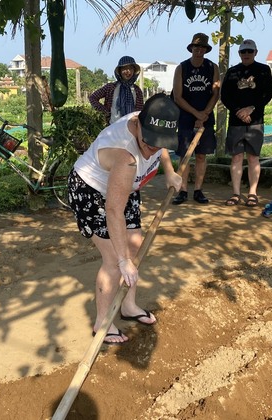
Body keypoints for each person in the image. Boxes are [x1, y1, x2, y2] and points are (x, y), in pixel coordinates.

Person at [67, 93, 182, 345]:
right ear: (138, 123)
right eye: (148, 140)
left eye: (159, 141)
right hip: (91, 191)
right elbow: (113, 210)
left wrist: (170, 172)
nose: (152, 147)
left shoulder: (154, 125)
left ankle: (128, 306)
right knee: (113, 258)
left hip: (125, 187)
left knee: (135, 245)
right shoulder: (125, 156)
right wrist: (122, 260)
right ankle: (103, 323)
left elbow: (159, 147)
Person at [220, 39, 272, 207]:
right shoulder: (232, 72)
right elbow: (225, 96)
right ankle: (236, 193)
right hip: (236, 121)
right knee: (236, 157)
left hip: (255, 121)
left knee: (253, 158)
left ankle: (252, 193)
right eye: (243, 52)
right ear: (239, 54)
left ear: (255, 52)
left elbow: (267, 94)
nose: (246, 54)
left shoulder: (264, 70)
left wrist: (251, 109)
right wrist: (239, 111)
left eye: (250, 51)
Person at [172, 33, 221, 205]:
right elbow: (177, 96)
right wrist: (195, 114)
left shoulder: (212, 67)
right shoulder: (182, 68)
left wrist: (204, 114)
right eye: (196, 47)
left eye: (202, 47)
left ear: (206, 50)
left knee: (201, 155)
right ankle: (183, 190)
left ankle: (198, 190)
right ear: (191, 48)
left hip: (205, 117)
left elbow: (216, 93)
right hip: (186, 117)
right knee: (185, 155)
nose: (199, 50)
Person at [88, 56, 145, 125]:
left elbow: (140, 111)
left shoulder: (137, 90)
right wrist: (105, 111)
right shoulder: (111, 87)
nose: (128, 71)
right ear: (120, 71)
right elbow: (93, 98)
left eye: (131, 68)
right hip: (113, 127)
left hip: (131, 129)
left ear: (134, 71)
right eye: (124, 68)